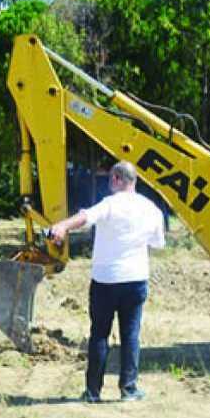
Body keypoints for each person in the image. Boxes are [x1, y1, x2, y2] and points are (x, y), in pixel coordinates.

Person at [49, 161, 165, 403]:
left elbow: (85, 217)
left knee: (100, 334)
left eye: (111, 178)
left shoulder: (109, 204)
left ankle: (93, 392)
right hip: (135, 279)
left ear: (116, 179)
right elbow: (157, 243)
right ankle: (129, 389)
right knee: (131, 334)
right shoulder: (151, 208)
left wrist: (62, 226)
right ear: (135, 181)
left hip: (106, 280)